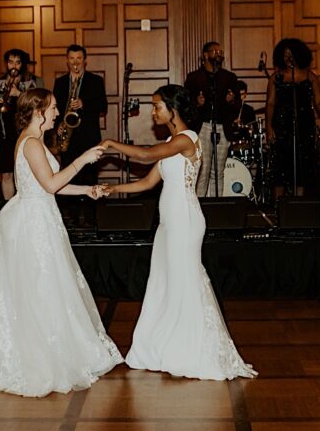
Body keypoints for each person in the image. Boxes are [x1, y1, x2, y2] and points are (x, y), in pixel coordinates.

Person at [0, 88, 122, 397]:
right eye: (54, 108)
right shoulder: (31, 143)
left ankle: (49, 349)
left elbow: (50, 188)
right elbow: (50, 184)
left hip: (39, 216)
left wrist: (86, 190)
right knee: (39, 287)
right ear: (38, 112)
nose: (58, 113)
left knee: (42, 288)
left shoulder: (34, 142)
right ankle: (37, 358)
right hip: (33, 225)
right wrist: (84, 159)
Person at [98, 85, 255, 381]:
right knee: (164, 282)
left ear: (174, 109)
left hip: (185, 220)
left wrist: (111, 143)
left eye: (157, 106)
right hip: (168, 222)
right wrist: (113, 189)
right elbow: (147, 183)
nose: (153, 111)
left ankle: (192, 349)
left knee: (185, 280)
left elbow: (145, 156)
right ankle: (165, 346)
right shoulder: (172, 142)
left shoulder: (187, 139)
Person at [265, 38, 320, 198]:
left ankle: (298, 205)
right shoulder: (276, 77)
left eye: (291, 54)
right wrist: (269, 127)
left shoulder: (310, 77)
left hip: (304, 124)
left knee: (303, 166)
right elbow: (270, 103)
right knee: (281, 168)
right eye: (285, 55)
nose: (287, 57)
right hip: (282, 125)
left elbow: (319, 101)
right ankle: (279, 207)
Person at [52, 44, 107, 223]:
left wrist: (85, 104)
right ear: (67, 61)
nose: (75, 62)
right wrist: (58, 125)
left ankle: (91, 218)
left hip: (89, 136)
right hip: (68, 136)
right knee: (69, 175)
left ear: (85, 60)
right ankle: (72, 218)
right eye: (72, 59)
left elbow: (103, 107)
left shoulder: (95, 81)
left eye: (79, 59)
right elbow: (55, 109)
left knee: (89, 176)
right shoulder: (60, 83)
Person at [0, 49, 43, 200]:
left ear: (22, 65)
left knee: (25, 173)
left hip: (25, 134)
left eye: (17, 62)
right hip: (3, 133)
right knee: (6, 174)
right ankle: (8, 207)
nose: (14, 66)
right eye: (11, 62)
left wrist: (19, 94)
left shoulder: (31, 83)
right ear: (6, 64)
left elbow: (39, 106)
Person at [183, 42, 239, 197]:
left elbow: (237, 106)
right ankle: (200, 206)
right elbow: (185, 105)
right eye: (215, 51)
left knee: (218, 170)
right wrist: (197, 104)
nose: (219, 54)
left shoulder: (229, 77)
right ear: (205, 55)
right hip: (203, 127)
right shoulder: (194, 78)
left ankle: (217, 206)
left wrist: (231, 100)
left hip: (222, 127)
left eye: (220, 51)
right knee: (203, 169)